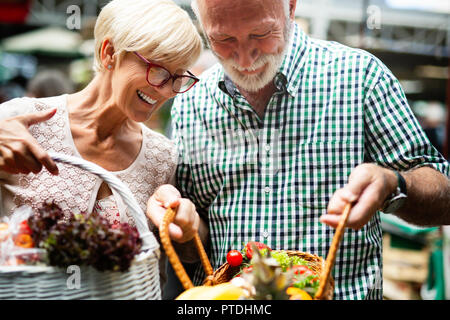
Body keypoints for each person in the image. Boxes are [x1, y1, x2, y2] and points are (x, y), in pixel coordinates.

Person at [147, 0, 450, 299]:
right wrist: (184, 228)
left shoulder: (361, 78)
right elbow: (195, 241)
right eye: (223, 39)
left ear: (290, 7)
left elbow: (444, 197)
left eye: (260, 34)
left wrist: (393, 184)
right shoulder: (191, 103)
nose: (244, 56)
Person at [0, 0, 203, 293]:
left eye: (178, 77)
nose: (166, 90)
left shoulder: (162, 156)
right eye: (158, 70)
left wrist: (185, 230)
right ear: (109, 53)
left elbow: (174, 256)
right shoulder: (20, 122)